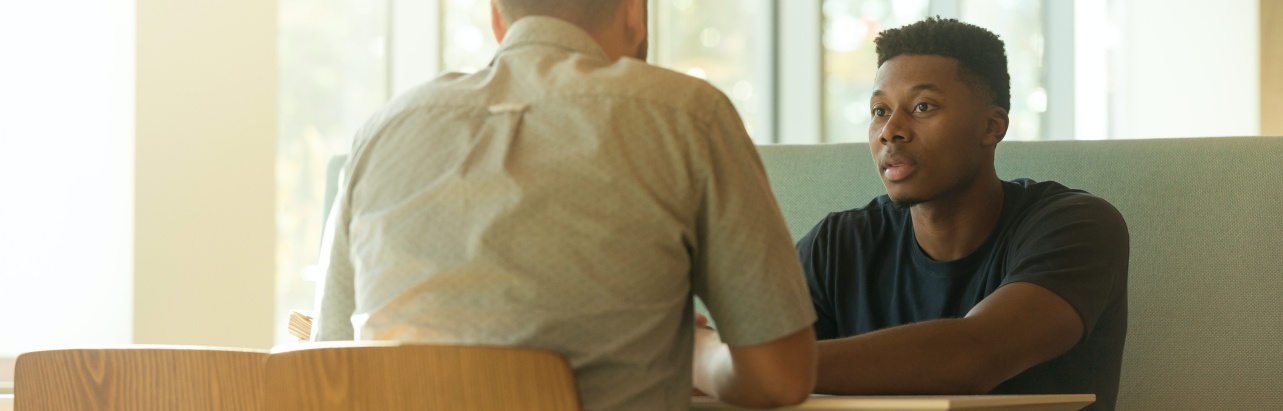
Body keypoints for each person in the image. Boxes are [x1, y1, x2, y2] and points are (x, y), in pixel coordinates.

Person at [312, 0, 816, 409]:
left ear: (498, 18)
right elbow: (779, 377)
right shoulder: (688, 116)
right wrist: (699, 355)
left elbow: (326, 370)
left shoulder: (381, 132)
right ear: (635, 13)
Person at [796, 17, 1129, 411]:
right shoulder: (837, 244)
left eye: (923, 106)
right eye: (879, 110)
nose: (890, 130)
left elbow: (974, 355)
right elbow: (745, 350)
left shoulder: (1078, 226)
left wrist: (754, 364)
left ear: (991, 127)